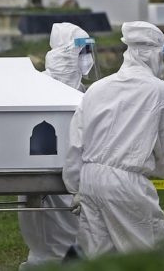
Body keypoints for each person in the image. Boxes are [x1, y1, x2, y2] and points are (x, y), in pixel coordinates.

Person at [63, 21, 164, 257]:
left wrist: (75, 185)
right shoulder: (159, 91)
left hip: (90, 179)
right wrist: (160, 169)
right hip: (126, 182)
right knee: (152, 252)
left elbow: (76, 142)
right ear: (152, 54)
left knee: (98, 256)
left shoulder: (97, 88)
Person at [18, 22, 98, 269]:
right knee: (48, 235)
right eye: (81, 52)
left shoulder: (81, 89)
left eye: (87, 52)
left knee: (74, 236)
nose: (86, 59)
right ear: (67, 51)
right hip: (42, 173)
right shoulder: (38, 85)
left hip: (74, 174)